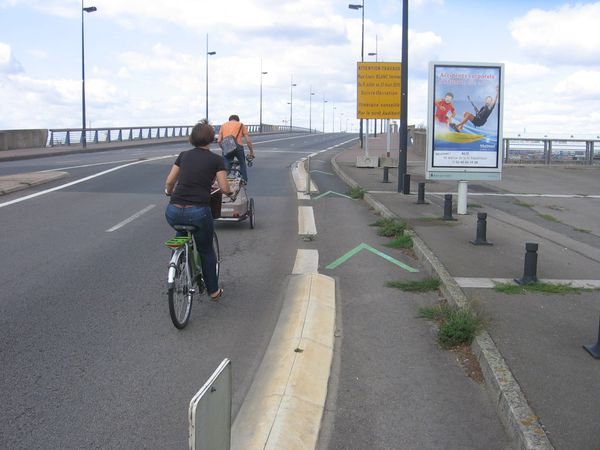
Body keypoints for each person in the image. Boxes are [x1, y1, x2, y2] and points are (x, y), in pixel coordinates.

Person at [164, 120, 232, 300]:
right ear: (211, 138)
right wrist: (230, 191)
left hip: (173, 211)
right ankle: (213, 291)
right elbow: (224, 187)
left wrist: (168, 192)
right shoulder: (216, 160)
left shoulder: (183, 155)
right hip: (199, 212)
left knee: (180, 232)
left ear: (191, 138)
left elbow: (170, 182)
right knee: (206, 250)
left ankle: (178, 264)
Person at [217, 114, 255, 183]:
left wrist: (224, 149)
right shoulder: (241, 125)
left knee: (226, 166)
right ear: (238, 120)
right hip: (238, 147)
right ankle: (244, 180)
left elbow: (219, 141)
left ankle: (224, 182)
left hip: (227, 147)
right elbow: (248, 141)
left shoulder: (223, 125)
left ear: (229, 120)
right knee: (242, 163)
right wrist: (251, 152)